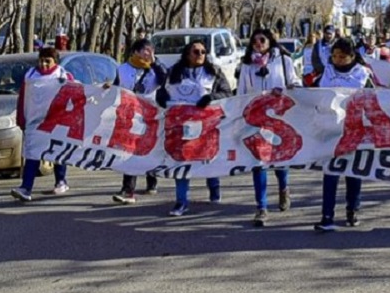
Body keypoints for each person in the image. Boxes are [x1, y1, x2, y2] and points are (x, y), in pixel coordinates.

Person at [156, 40, 232, 216]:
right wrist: (162, 98)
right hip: (180, 124)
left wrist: (211, 98)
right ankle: (181, 202)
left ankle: (214, 187)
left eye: (203, 52)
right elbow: (162, 91)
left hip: (206, 124)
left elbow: (227, 93)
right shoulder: (174, 72)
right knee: (181, 159)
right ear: (187, 54)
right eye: (196, 51)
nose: (200, 55)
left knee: (207, 158)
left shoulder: (214, 72)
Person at [238, 29, 302, 227]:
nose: (258, 43)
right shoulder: (247, 65)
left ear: (270, 41)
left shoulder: (283, 61)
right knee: (258, 162)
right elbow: (241, 92)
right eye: (254, 40)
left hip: (279, 118)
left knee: (279, 161)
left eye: (262, 39)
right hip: (256, 119)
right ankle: (261, 207)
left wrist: (283, 91)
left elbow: (295, 83)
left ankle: (284, 188)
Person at [313, 37, 375, 232]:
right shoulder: (326, 72)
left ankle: (352, 209)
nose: (337, 59)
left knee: (352, 173)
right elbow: (312, 93)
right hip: (330, 130)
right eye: (335, 56)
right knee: (330, 173)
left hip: (354, 130)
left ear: (352, 56)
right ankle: (327, 216)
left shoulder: (363, 74)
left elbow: (376, 100)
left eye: (342, 56)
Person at [11, 47, 74, 202]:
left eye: (48, 61)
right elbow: (23, 99)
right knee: (33, 154)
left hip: (57, 122)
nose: (44, 64)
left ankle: (61, 180)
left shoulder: (63, 76)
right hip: (35, 122)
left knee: (57, 152)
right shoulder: (30, 77)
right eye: (41, 60)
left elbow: (76, 96)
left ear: (55, 62)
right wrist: (21, 118)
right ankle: (26, 188)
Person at [111, 39, 167, 204]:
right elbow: (117, 88)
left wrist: (155, 63)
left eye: (151, 51)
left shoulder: (155, 70)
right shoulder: (122, 69)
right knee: (130, 150)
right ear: (135, 51)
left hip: (151, 114)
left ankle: (151, 180)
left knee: (148, 148)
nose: (148, 54)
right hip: (129, 115)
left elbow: (167, 80)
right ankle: (128, 189)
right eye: (145, 50)